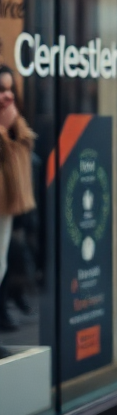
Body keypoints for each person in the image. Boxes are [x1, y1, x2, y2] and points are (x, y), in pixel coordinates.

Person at [0, 65, 36, 339]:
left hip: (8, 208)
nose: (7, 96)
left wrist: (11, 129)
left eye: (10, 89)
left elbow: (21, 166)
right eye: (1, 89)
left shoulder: (14, 124)